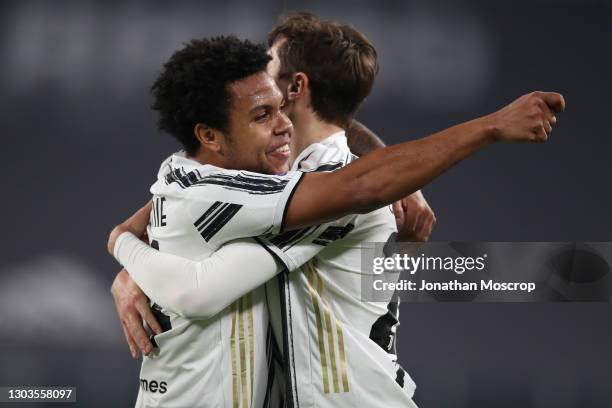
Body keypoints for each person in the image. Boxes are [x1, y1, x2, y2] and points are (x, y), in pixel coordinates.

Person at [108, 32, 564, 408]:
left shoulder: (190, 175)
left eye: (275, 90)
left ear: (296, 88)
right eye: (262, 111)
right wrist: (127, 248)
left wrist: (128, 245)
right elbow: (201, 253)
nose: (277, 112)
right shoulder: (279, 190)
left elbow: (357, 183)